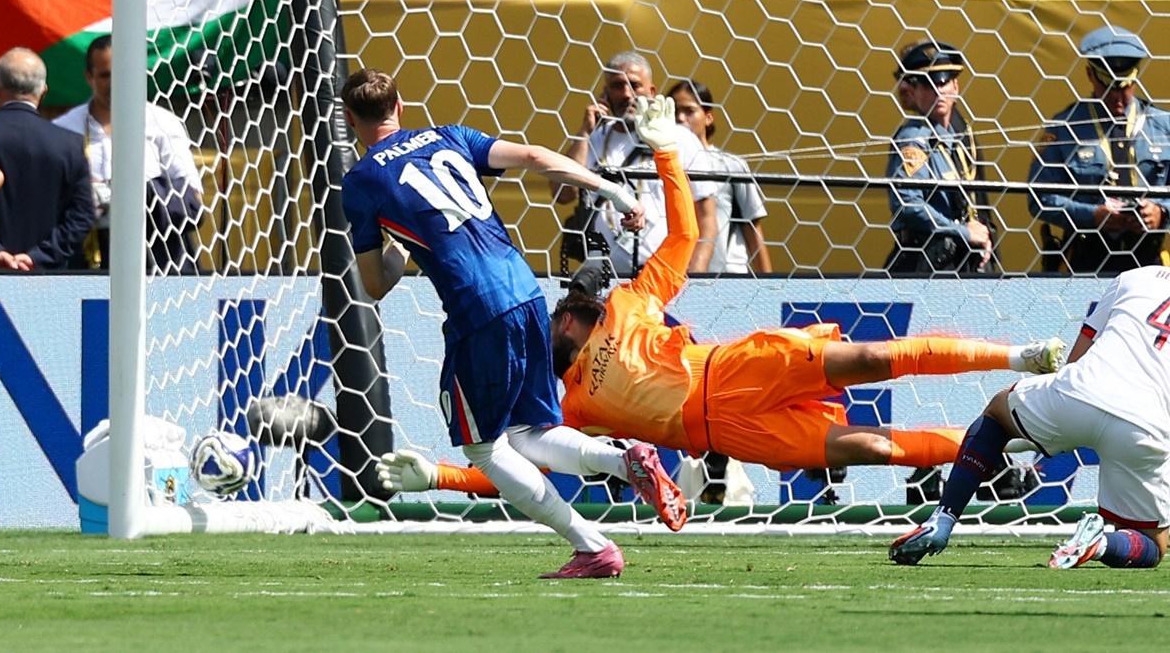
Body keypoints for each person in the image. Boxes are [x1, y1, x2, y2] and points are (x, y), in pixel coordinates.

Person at [375, 91, 1066, 499]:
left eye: (557, 308)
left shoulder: (630, 301)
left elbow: (682, 234)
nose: (548, 322)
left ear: (574, 310)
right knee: (874, 449)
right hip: (729, 431)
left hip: (734, 366)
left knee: (872, 359)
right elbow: (513, 468)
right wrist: (437, 474)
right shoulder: (566, 403)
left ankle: (1019, 355)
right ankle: (1007, 441)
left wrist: (667, 150)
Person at [340, 69, 684, 579]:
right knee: (529, 433)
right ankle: (624, 460)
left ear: (350, 121)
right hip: (524, 289)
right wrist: (616, 194)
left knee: (483, 447)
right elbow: (534, 157)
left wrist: (394, 241)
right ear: (402, 106)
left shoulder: (362, 182)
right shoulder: (449, 136)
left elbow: (376, 282)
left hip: (476, 308)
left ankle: (591, 545)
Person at [892, 265, 1170, 569]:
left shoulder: (1135, 276)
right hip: (1146, 423)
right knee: (1152, 546)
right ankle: (1099, 543)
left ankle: (941, 520)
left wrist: (1063, 422)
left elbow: (1078, 355)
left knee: (998, 412)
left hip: (1083, 389)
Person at [555, 51, 718, 276]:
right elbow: (563, 194)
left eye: (635, 85)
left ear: (652, 92)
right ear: (605, 93)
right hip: (605, 277)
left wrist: (695, 275)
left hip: (662, 276)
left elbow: (707, 214)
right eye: (617, 86)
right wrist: (584, 132)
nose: (626, 94)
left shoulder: (678, 138)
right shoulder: (595, 139)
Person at [53, 35, 205, 272]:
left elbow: (192, 196)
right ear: (89, 78)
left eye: (123, 72)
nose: (116, 83)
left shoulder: (162, 122)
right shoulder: (65, 128)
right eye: (105, 75)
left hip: (159, 256)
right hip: (85, 256)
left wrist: (138, 194)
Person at [1028, 26, 1170, 276]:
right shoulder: (1064, 129)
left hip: (1148, 260)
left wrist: (1160, 211)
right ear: (1090, 75)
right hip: (1084, 260)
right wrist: (1092, 215)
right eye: (1109, 86)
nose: (1118, 97)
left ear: (1136, 78)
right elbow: (1039, 198)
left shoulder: (1163, 126)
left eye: (1126, 86)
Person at [0, 48, 95, 271]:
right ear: (43, 91)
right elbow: (82, 216)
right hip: (45, 283)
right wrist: (38, 257)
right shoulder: (71, 145)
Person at [885, 41, 996, 276]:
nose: (937, 91)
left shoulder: (956, 137)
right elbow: (907, 203)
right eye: (926, 85)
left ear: (955, 85)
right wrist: (963, 231)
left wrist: (981, 236)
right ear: (913, 91)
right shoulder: (914, 138)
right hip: (926, 262)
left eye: (943, 82)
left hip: (959, 261)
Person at [667, 79, 772, 275]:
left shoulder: (731, 165)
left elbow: (753, 229)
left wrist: (770, 289)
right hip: (673, 276)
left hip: (726, 279)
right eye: (674, 112)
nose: (680, 118)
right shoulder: (661, 166)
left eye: (689, 111)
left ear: (708, 117)